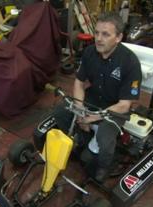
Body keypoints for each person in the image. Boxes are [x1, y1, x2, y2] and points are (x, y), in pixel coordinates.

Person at [52, 12, 142, 182]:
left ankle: (103, 166)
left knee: (104, 139)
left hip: (115, 109)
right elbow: (79, 83)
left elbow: (124, 105)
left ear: (118, 37)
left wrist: (92, 118)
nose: (99, 38)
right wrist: (79, 109)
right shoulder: (89, 52)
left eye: (106, 34)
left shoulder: (130, 62)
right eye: (97, 32)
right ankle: (81, 139)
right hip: (92, 100)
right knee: (60, 111)